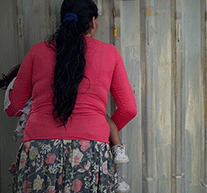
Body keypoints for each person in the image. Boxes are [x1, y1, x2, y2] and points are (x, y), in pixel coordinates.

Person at [5, 0, 137, 192]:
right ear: (93, 22)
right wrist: (103, 131)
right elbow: (128, 109)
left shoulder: (37, 51)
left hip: (38, 149)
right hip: (91, 150)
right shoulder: (109, 53)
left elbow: (13, 107)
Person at [1, 65, 131, 193]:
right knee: (104, 120)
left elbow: (13, 110)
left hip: (43, 151)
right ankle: (117, 160)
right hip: (87, 141)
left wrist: (22, 159)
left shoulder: (34, 107)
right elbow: (129, 110)